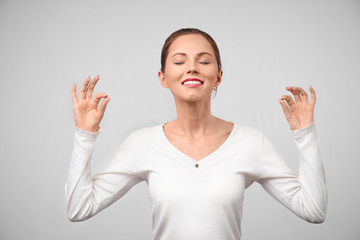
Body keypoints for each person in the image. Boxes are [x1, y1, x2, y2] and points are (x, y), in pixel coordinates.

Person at [65, 28, 327, 240]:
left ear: (219, 76)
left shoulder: (251, 142)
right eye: (179, 61)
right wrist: (84, 136)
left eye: (204, 61)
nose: (192, 68)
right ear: (163, 77)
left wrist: (305, 134)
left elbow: (313, 210)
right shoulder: (142, 144)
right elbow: (79, 208)